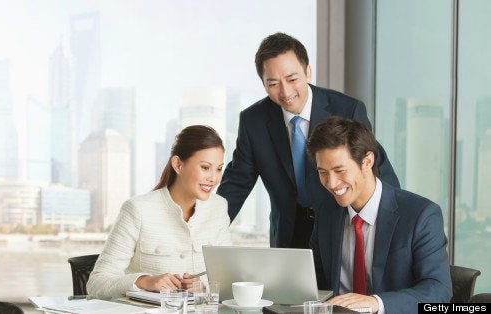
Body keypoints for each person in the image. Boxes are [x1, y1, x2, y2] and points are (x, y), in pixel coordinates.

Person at [217, 32, 400, 248]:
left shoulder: (347, 110)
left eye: (292, 79)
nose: (285, 92)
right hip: (288, 235)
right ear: (264, 84)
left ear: (308, 72)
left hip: (339, 228)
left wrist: (395, 231)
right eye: (273, 83)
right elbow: (237, 182)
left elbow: (376, 170)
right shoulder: (253, 121)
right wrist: (205, 230)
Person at [306, 116, 451, 313]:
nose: (331, 183)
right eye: (323, 172)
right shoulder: (327, 213)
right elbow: (315, 280)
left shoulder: (421, 215)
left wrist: (376, 303)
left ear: (367, 161)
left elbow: (438, 291)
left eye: (340, 170)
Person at [86, 125, 232, 299]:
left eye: (219, 169)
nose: (214, 178)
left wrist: (204, 287)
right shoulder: (138, 209)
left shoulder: (218, 207)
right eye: (205, 167)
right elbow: (96, 284)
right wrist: (144, 281)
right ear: (178, 164)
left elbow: (227, 278)